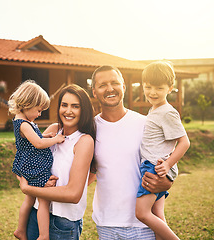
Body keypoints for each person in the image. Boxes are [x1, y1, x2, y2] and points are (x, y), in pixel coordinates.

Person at [91, 65, 173, 240]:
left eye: (115, 83)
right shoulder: (89, 129)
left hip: (143, 224)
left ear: (124, 86)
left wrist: (166, 182)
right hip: (106, 223)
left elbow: (168, 164)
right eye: (102, 85)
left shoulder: (146, 123)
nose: (110, 88)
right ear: (94, 92)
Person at [17, 84, 96, 240]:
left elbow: (73, 194)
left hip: (62, 223)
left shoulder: (84, 141)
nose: (68, 111)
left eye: (75, 106)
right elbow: (27, 162)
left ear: (84, 110)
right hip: (36, 214)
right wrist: (32, 181)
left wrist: (28, 188)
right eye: (64, 105)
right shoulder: (53, 130)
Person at [135, 61, 190, 240]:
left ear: (170, 88)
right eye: (148, 87)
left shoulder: (167, 112)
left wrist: (167, 165)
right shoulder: (154, 110)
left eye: (159, 88)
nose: (152, 92)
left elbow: (184, 142)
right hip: (153, 165)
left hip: (155, 167)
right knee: (157, 215)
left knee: (142, 213)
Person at [8, 80, 65, 240]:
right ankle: (43, 235)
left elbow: (36, 138)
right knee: (44, 200)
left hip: (28, 164)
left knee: (30, 198)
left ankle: (20, 230)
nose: (40, 114)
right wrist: (56, 139)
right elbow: (39, 144)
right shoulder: (24, 124)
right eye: (39, 110)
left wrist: (46, 135)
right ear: (27, 104)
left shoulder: (25, 122)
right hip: (33, 167)